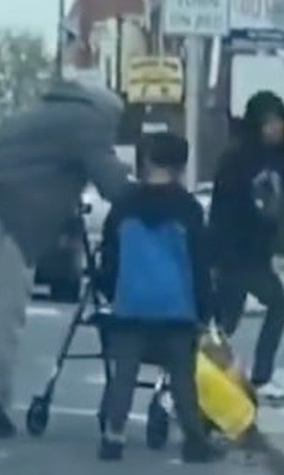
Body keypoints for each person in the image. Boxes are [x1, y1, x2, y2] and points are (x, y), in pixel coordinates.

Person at [0, 80, 131, 439]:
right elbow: (111, 182)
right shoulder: (87, 121)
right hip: (9, 217)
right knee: (2, 316)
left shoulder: (41, 112)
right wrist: (152, 198)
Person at [96, 132, 223, 463]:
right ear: (181, 167)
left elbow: (109, 259)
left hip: (131, 305)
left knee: (124, 373)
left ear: (148, 161)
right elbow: (200, 263)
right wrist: (204, 310)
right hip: (176, 309)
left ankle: (113, 436)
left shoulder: (123, 206)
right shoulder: (188, 209)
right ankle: (194, 442)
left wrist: (112, 292)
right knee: (182, 377)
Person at [208, 91, 284, 406]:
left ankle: (244, 375)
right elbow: (223, 211)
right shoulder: (237, 159)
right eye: (269, 123)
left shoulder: (275, 160)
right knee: (261, 309)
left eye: (279, 123)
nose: (275, 130)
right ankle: (220, 375)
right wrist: (219, 255)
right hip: (235, 253)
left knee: (228, 320)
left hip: (257, 254)